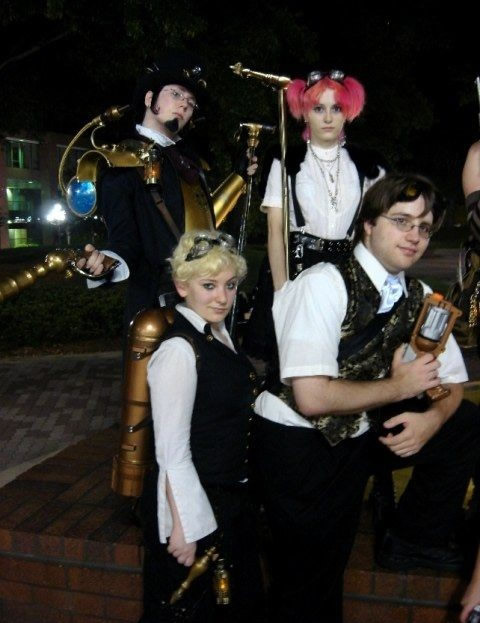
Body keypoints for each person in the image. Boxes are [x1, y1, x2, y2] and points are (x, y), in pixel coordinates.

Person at [253, 172, 480, 623]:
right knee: (308, 585)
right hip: (297, 446)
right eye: (402, 221)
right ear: (369, 225)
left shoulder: (419, 297)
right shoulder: (323, 283)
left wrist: (431, 421)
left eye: (423, 227)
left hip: (356, 434)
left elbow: (454, 381)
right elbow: (311, 397)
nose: (414, 236)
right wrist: (402, 386)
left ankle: (413, 537)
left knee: (465, 423)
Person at [138, 230, 265, 622]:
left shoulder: (216, 334)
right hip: (195, 502)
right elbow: (171, 452)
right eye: (209, 286)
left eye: (230, 285)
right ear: (182, 286)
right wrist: (184, 527)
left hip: (227, 499)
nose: (222, 297)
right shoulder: (179, 350)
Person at [77, 50, 255, 329]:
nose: (184, 104)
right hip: (156, 312)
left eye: (191, 102)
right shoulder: (121, 164)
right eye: (176, 94)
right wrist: (104, 263)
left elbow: (203, 229)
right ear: (150, 99)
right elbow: (124, 241)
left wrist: (239, 177)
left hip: (203, 306)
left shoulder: (189, 165)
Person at [262, 68, 385, 291]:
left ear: (347, 112)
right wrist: (282, 292)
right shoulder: (285, 161)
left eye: (336, 108)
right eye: (318, 109)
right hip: (297, 268)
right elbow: (274, 230)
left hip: (344, 271)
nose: (328, 118)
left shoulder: (365, 166)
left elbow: (376, 230)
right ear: (305, 113)